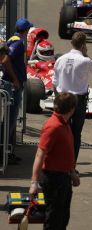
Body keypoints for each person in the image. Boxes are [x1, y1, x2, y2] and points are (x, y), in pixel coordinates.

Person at [29, 92, 80, 230]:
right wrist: (34, 182)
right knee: (53, 221)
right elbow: (40, 155)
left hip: (64, 178)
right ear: (72, 109)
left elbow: (66, 153)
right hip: (53, 179)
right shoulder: (53, 126)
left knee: (62, 219)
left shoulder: (64, 124)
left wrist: (72, 173)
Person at [53, 31, 92, 162]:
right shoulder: (85, 60)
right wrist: (86, 55)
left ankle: (59, 161)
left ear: (72, 43)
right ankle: (71, 165)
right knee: (76, 133)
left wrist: (57, 99)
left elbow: (54, 82)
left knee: (60, 130)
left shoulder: (60, 59)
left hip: (63, 98)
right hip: (78, 100)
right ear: (83, 45)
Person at [2, 18, 33, 163]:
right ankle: (4, 153)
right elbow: (6, 60)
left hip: (10, 84)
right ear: (26, 31)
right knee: (10, 119)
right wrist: (15, 80)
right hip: (13, 86)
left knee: (9, 120)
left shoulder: (11, 39)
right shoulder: (18, 43)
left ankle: (6, 151)